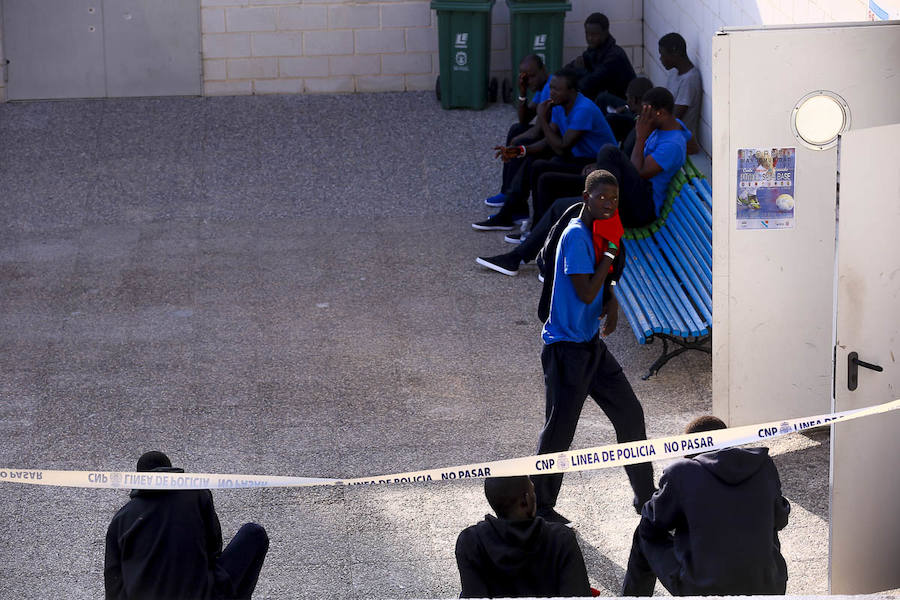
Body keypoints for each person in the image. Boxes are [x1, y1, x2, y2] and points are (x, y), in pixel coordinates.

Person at [532, 170, 655, 525]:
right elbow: (586, 290)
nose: (609, 204)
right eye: (602, 198)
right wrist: (611, 252)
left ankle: (647, 498)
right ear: (585, 197)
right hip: (565, 349)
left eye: (615, 200)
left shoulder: (597, 232)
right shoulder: (575, 236)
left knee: (630, 415)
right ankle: (540, 507)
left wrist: (612, 297)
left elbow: (602, 284)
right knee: (559, 430)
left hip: (590, 346)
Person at [622, 416, 790, 596]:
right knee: (764, 527)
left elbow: (651, 522)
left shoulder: (682, 472)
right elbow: (780, 519)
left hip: (702, 589)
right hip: (768, 587)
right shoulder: (763, 465)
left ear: (688, 450)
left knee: (643, 534)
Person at [104, 451, 269, 600]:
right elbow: (213, 548)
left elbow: (113, 584)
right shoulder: (196, 494)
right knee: (254, 533)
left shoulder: (120, 520)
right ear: (170, 471)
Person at [474, 68, 616, 231]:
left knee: (540, 170)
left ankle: (536, 228)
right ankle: (512, 216)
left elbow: (562, 148)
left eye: (557, 89)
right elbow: (549, 140)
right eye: (551, 88)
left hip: (595, 164)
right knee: (531, 162)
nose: (552, 93)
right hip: (577, 157)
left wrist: (542, 118)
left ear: (571, 91)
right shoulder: (558, 105)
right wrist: (520, 150)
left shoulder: (583, 109)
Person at [455, 475, 591, 598]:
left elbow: (473, 594)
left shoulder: (470, 541)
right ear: (526, 500)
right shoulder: (561, 538)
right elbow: (578, 594)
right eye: (533, 490)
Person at [594, 86, 693, 226]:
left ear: (660, 113)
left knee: (609, 152)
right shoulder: (671, 125)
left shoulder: (672, 145)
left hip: (643, 209)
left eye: (647, 112)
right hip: (636, 195)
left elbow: (638, 172)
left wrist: (641, 137)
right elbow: (691, 140)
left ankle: (601, 207)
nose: (642, 116)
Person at [484, 55, 550, 208]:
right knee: (516, 128)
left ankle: (513, 200)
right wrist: (522, 93)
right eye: (526, 78)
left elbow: (537, 131)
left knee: (519, 140)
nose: (530, 81)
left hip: (557, 142)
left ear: (543, 70)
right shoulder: (542, 88)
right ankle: (506, 192)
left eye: (533, 76)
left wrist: (514, 144)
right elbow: (524, 120)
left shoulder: (550, 88)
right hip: (548, 135)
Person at [567, 13, 636, 101]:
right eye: (587, 34)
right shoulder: (594, 50)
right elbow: (570, 69)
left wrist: (580, 70)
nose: (590, 38)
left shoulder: (614, 56)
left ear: (605, 32)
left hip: (623, 104)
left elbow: (589, 84)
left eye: (594, 34)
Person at [658, 32, 702, 142]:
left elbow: (674, 117)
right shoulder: (674, 73)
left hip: (679, 139)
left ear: (675, 53)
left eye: (663, 54)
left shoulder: (690, 80)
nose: (661, 59)